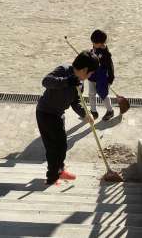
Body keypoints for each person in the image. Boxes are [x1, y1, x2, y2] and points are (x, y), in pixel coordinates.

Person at [36, 50, 99, 185]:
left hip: (58, 114)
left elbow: (75, 102)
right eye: (91, 73)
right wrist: (67, 81)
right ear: (85, 70)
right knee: (53, 147)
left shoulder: (80, 84)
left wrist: (85, 114)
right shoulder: (64, 70)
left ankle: (60, 169)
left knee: (62, 145)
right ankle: (52, 177)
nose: (90, 76)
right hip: (45, 113)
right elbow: (46, 81)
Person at [88, 29, 115, 121]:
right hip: (92, 74)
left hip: (102, 77)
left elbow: (110, 66)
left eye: (94, 42)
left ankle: (110, 111)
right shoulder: (94, 47)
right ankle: (93, 112)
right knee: (91, 93)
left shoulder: (106, 54)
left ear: (100, 43)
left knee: (103, 94)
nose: (93, 44)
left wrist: (110, 79)